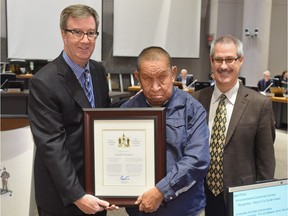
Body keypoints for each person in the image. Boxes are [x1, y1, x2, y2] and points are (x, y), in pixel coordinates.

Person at [28, 4, 118, 216]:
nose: (85, 40)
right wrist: (77, 195)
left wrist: (113, 187)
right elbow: (52, 145)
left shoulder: (98, 71)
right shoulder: (44, 82)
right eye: (77, 32)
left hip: (95, 188)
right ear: (63, 34)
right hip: (62, 194)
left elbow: (104, 122)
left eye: (90, 33)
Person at [192, 35, 276, 216]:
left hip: (241, 195)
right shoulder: (196, 100)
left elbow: (266, 161)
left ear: (240, 61)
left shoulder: (259, 104)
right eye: (218, 60)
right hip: (200, 193)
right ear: (211, 61)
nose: (223, 66)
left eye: (229, 59)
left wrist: (264, 200)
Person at [121, 46, 210, 216]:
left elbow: (197, 160)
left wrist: (161, 191)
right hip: (139, 208)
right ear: (137, 77)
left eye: (162, 77)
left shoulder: (192, 109)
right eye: (147, 79)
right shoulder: (128, 110)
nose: (155, 87)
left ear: (173, 73)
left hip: (183, 209)